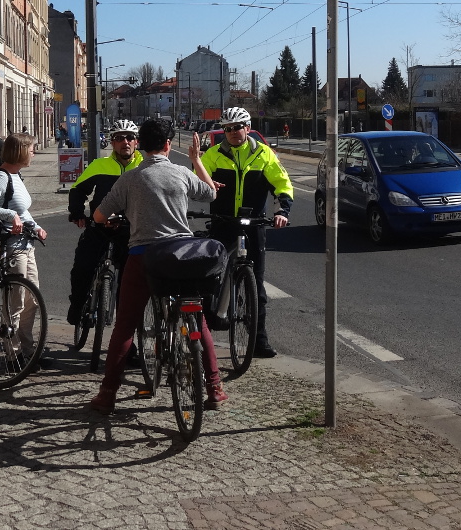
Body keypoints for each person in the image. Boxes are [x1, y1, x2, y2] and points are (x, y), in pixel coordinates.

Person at [89, 119, 226, 415]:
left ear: (141, 144)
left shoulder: (130, 179)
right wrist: (196, 160)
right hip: (182, 255)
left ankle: (108, 393)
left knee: (125, 325)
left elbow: (99, 216)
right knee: (197, 320)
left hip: (144, 256)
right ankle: (214, 388)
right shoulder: (181, 172)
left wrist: (114, 217)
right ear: (167, 145)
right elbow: (211, 193)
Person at [200, 107, 293, 358]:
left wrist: (282, 210)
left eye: (237, 127)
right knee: (211, 277)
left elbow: (282, 183)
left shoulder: (264, 154)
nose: (232, 133)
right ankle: (204, 333)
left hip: (253, 224)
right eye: (227, 129)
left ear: (248, 127)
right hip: (223, 222)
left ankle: (259, 339)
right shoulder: (213, 154)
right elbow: (198, 180)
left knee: (257, 284)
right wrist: (202, 179)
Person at [0, 132, 48, 364]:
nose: (34, 153)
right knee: (14, 302)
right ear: (21, 152)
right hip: (8, 246)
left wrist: (35, 226)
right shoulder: (1, 177)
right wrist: (9, 215)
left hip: (26, 244)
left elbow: (22, 209)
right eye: (32, 149)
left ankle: (28, 351)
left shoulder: (17, 176)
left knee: (32, 300)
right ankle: (13, 354)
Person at [66, 122, 143, 329]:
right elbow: (78, 190)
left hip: (131, 232)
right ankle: (77, 306)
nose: (124, 142)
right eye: (119, 138)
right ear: (112, 143)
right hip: (100, 227)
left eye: (129, 137)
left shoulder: (145, 165)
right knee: (82, 267)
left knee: (129, 286)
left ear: (136, 141)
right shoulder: (99, 165)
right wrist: (77, 213)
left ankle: (127, 339)